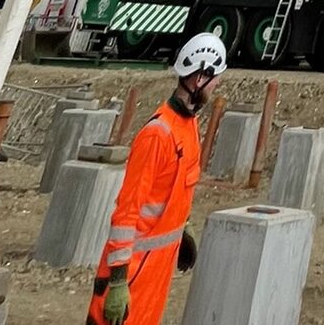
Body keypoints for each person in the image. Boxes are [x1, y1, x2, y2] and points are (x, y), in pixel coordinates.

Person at [87, 32, 226, 325]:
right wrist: (118, 281)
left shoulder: (188, 128)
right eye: (215, 79)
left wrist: (182, 230)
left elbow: (172, 192)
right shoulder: (157, 135)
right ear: (200, 78)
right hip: (132, 275)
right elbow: (126, 213)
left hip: (156, 273)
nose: (217, 86)